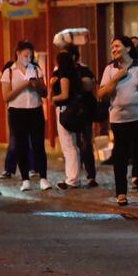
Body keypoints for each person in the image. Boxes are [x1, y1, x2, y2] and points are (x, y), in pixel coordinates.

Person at [98, 36, 138, 206]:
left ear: (128, 48)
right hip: (118, 119)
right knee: (120, 157)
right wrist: (116, 77)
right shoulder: (110, 69)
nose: (114, 49)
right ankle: (121, 193)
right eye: (112, 47)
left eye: (117, 46)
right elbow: (101, 94)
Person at [0, 41, 50, 191]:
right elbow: (6, 96)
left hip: (35, 110)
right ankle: (25, 179)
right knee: (20, 145)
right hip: (17, 111)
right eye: (25, 55)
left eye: (30, 55)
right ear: (18, 54)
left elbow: (45, 93)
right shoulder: (9, 71)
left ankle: (43, 178)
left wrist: (36, 85)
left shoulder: (36, 69)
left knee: (38, 145)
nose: (28, 58)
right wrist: (23, 84)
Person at [65, 45, 98, 187]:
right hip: (70, 112)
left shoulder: (81, 69)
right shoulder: (63, 70)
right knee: (74, 144)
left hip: (84, 110)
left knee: (85, 143)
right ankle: (76, 173)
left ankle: (90, 175)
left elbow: (90, 83)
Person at [50, 51, 84, 189]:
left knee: (68, 145)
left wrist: (53, 98)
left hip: (65, 110)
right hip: (72, 110)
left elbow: (64, 95)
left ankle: (72, 178)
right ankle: (74, 177)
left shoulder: (63, 75)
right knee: (72, 145)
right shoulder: (73, 73)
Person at [0, 59, 36, 180]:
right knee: (16, 140)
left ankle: (31, 168)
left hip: (29, 109)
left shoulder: (32, 68)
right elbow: (2, 81)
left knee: (26, 140)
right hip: (15, 110)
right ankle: (11, 169)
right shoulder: (9, 69)